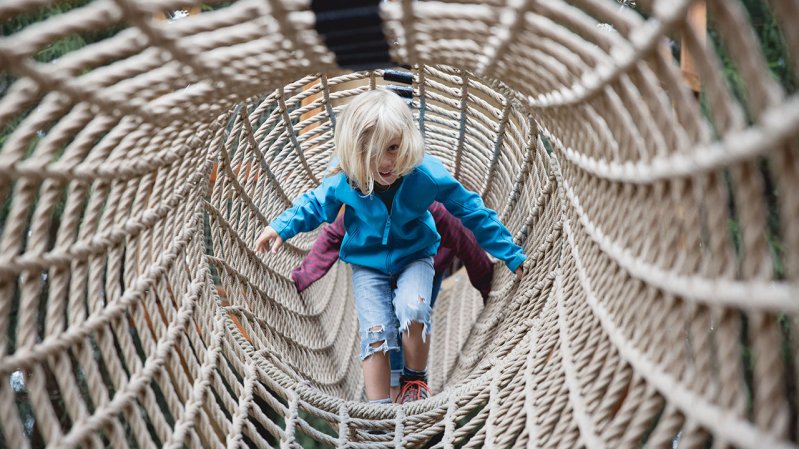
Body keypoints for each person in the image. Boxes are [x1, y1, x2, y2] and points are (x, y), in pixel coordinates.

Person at [255, 89, 525, 405]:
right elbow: (314, 206)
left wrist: (508, 256)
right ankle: (378, 413)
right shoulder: (347, 179)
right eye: (373, 153)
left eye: (394, 148)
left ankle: (414, 380)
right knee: (377, 332)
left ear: (406, 142)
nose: (386, 162)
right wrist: (281, 228)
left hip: (416, 256)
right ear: (355, 154)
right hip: (368, 265)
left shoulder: (424, 175)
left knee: (413, 308)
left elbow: (471, 213)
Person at [291, 201, 494, 400]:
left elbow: (467, 243)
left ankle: (413, 380)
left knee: (414, 313)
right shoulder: (367, 208)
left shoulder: (434, 210)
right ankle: (394, 383)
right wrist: (303, 276)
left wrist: (487, 287)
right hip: (380, 264)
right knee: (383, 323)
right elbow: (333, 235)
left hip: (429, 262)